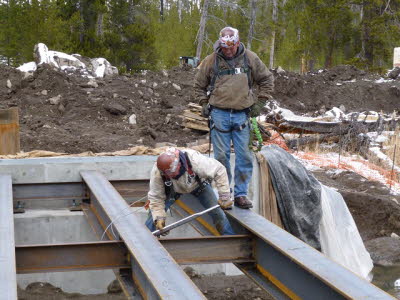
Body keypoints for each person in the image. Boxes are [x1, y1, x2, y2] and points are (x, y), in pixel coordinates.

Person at [194, 26, 274, 209]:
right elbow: (198, 85)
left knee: (244, 156)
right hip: (219, 113)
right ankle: (225, 193)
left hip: (242, 114)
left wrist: (260, 103)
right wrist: (203, 102)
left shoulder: (250, 58)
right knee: (220, 156)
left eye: (231, 47)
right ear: (220, 44)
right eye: (224, 47)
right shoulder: (211, 61)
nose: (228, 51)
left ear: (237, 43)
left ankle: (241, 194)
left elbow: (267, 80)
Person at [145, 147, 235, 235]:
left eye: (170, 173)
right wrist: (158, 217)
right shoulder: (158, 171)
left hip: (199, 186)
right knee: (153, 218)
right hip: (172, 189)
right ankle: (148, 242)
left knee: (218, 213)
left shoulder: (195, 160)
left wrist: (224, 196)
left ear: (178, 165)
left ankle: (229, 238)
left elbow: (219, 170)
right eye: (166, 173)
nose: (168, 175)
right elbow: (156, 197)